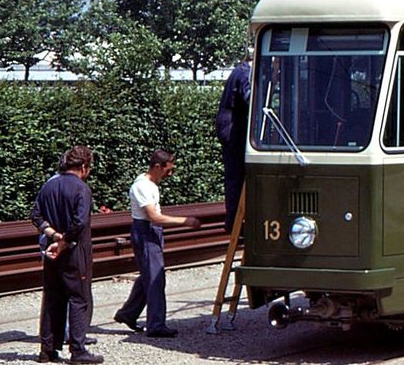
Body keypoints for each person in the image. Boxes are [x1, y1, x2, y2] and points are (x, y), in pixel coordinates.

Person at [113, 149, 202, 339]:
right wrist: (184, 221)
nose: (170, 174)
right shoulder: (143, 187)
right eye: (168, 170)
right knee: (155, 279)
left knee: (149, 276)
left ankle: (128, 313)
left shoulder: (150, 184)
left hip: (149, 231)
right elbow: (154, 217)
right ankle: (155, 324)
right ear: (157, 167)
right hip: (146, 231)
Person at [29, 145, 103, 364]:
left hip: (52, 251)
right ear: (83, 166)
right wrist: (64, 242)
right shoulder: (82, 189)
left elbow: (36, 215)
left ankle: (47, 349)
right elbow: (80, 222)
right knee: (79, 298)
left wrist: (53, 236)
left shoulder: (48, 186)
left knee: (52, 298)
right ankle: (78, 350)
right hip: (75, 252)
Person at [215, 57, 251, 232]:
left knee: (234, 176)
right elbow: (250, 99)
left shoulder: (240, 70)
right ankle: (235, 222)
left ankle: (234, 220)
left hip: (229, 128)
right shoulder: (246, 73)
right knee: (237, 176)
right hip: (233, 130)